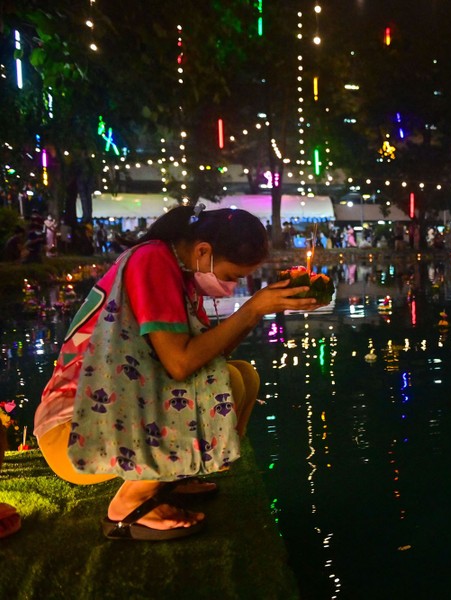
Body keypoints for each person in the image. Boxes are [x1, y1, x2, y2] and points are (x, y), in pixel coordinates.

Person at [33, 205, 322, 541]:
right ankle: (129, 505)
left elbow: (207, 358)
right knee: (229, 381)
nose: (231, 287)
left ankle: (171, 475)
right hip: (74, 432)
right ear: (203, 251)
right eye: (231, 277)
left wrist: (259, 311)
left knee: (242, 373)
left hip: (112, 419)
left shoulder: (180, 273)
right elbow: (181, 364)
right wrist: (253, 307)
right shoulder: (152, 261)